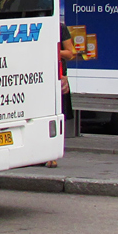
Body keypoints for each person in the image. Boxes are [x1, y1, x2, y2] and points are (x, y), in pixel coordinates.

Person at [47, 22, 77, 167]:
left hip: (58, 76)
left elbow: (71, 53)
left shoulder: (60, 27)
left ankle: (52, 154)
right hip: (41, 77)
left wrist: (51, 50)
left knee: (58, 116)